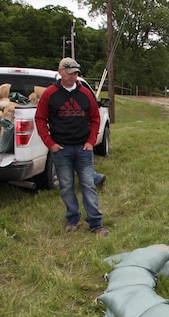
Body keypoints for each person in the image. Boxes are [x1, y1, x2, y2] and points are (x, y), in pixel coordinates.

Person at [35, 57, 109, 236]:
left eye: (76, 73)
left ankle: (95, 223)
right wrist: (50, 144)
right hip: (61, 150)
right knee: (66, 185)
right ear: (60, 73)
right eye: (70, 74)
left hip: (83, 148)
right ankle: (72, 219)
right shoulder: (50, 94)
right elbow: (40, 119)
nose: (73, 77)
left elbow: (95, 118)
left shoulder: (85, 94)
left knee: (88, 184)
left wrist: (91, 142)